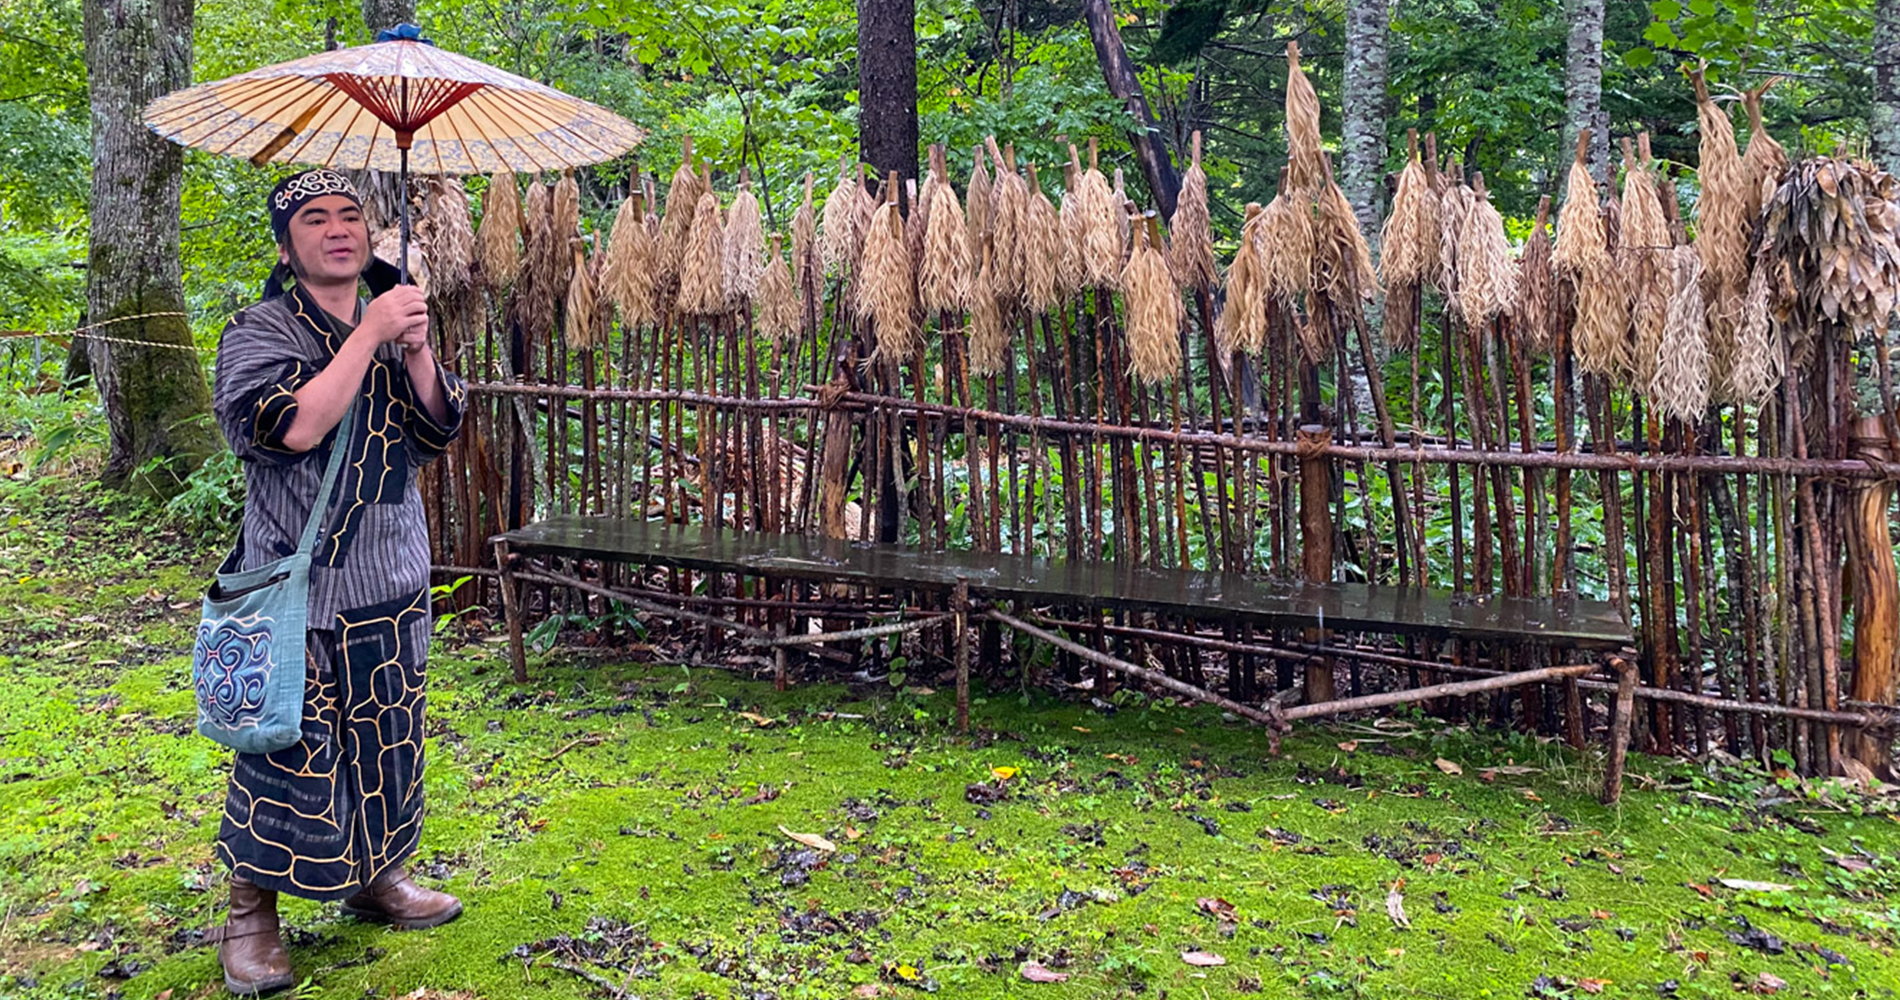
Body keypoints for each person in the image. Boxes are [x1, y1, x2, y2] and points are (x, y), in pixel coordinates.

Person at [205, 168, 468, 995]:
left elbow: (435, 431)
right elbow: (291, 427)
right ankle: (249, 914)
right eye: (314, 219)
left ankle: (376, 875)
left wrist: (417, 350)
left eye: (351, 214)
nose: (338, 230)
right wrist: (366, 337)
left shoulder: (394, 313)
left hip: (390, 571)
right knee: (289, 748)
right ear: (288, 246)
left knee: (388, 739)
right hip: (299, 585)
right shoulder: (258, 332)